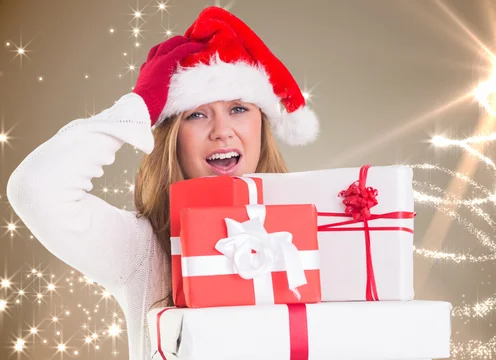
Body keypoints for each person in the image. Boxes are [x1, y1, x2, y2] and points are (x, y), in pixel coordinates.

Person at [6, 6, 319, 360]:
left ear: (263, 124)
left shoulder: (310, 239)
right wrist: (139, 107)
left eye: (238, 109)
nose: (221, 131)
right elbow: (35, 188)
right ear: (173, 138)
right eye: (196, 114)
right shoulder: (141, 249)